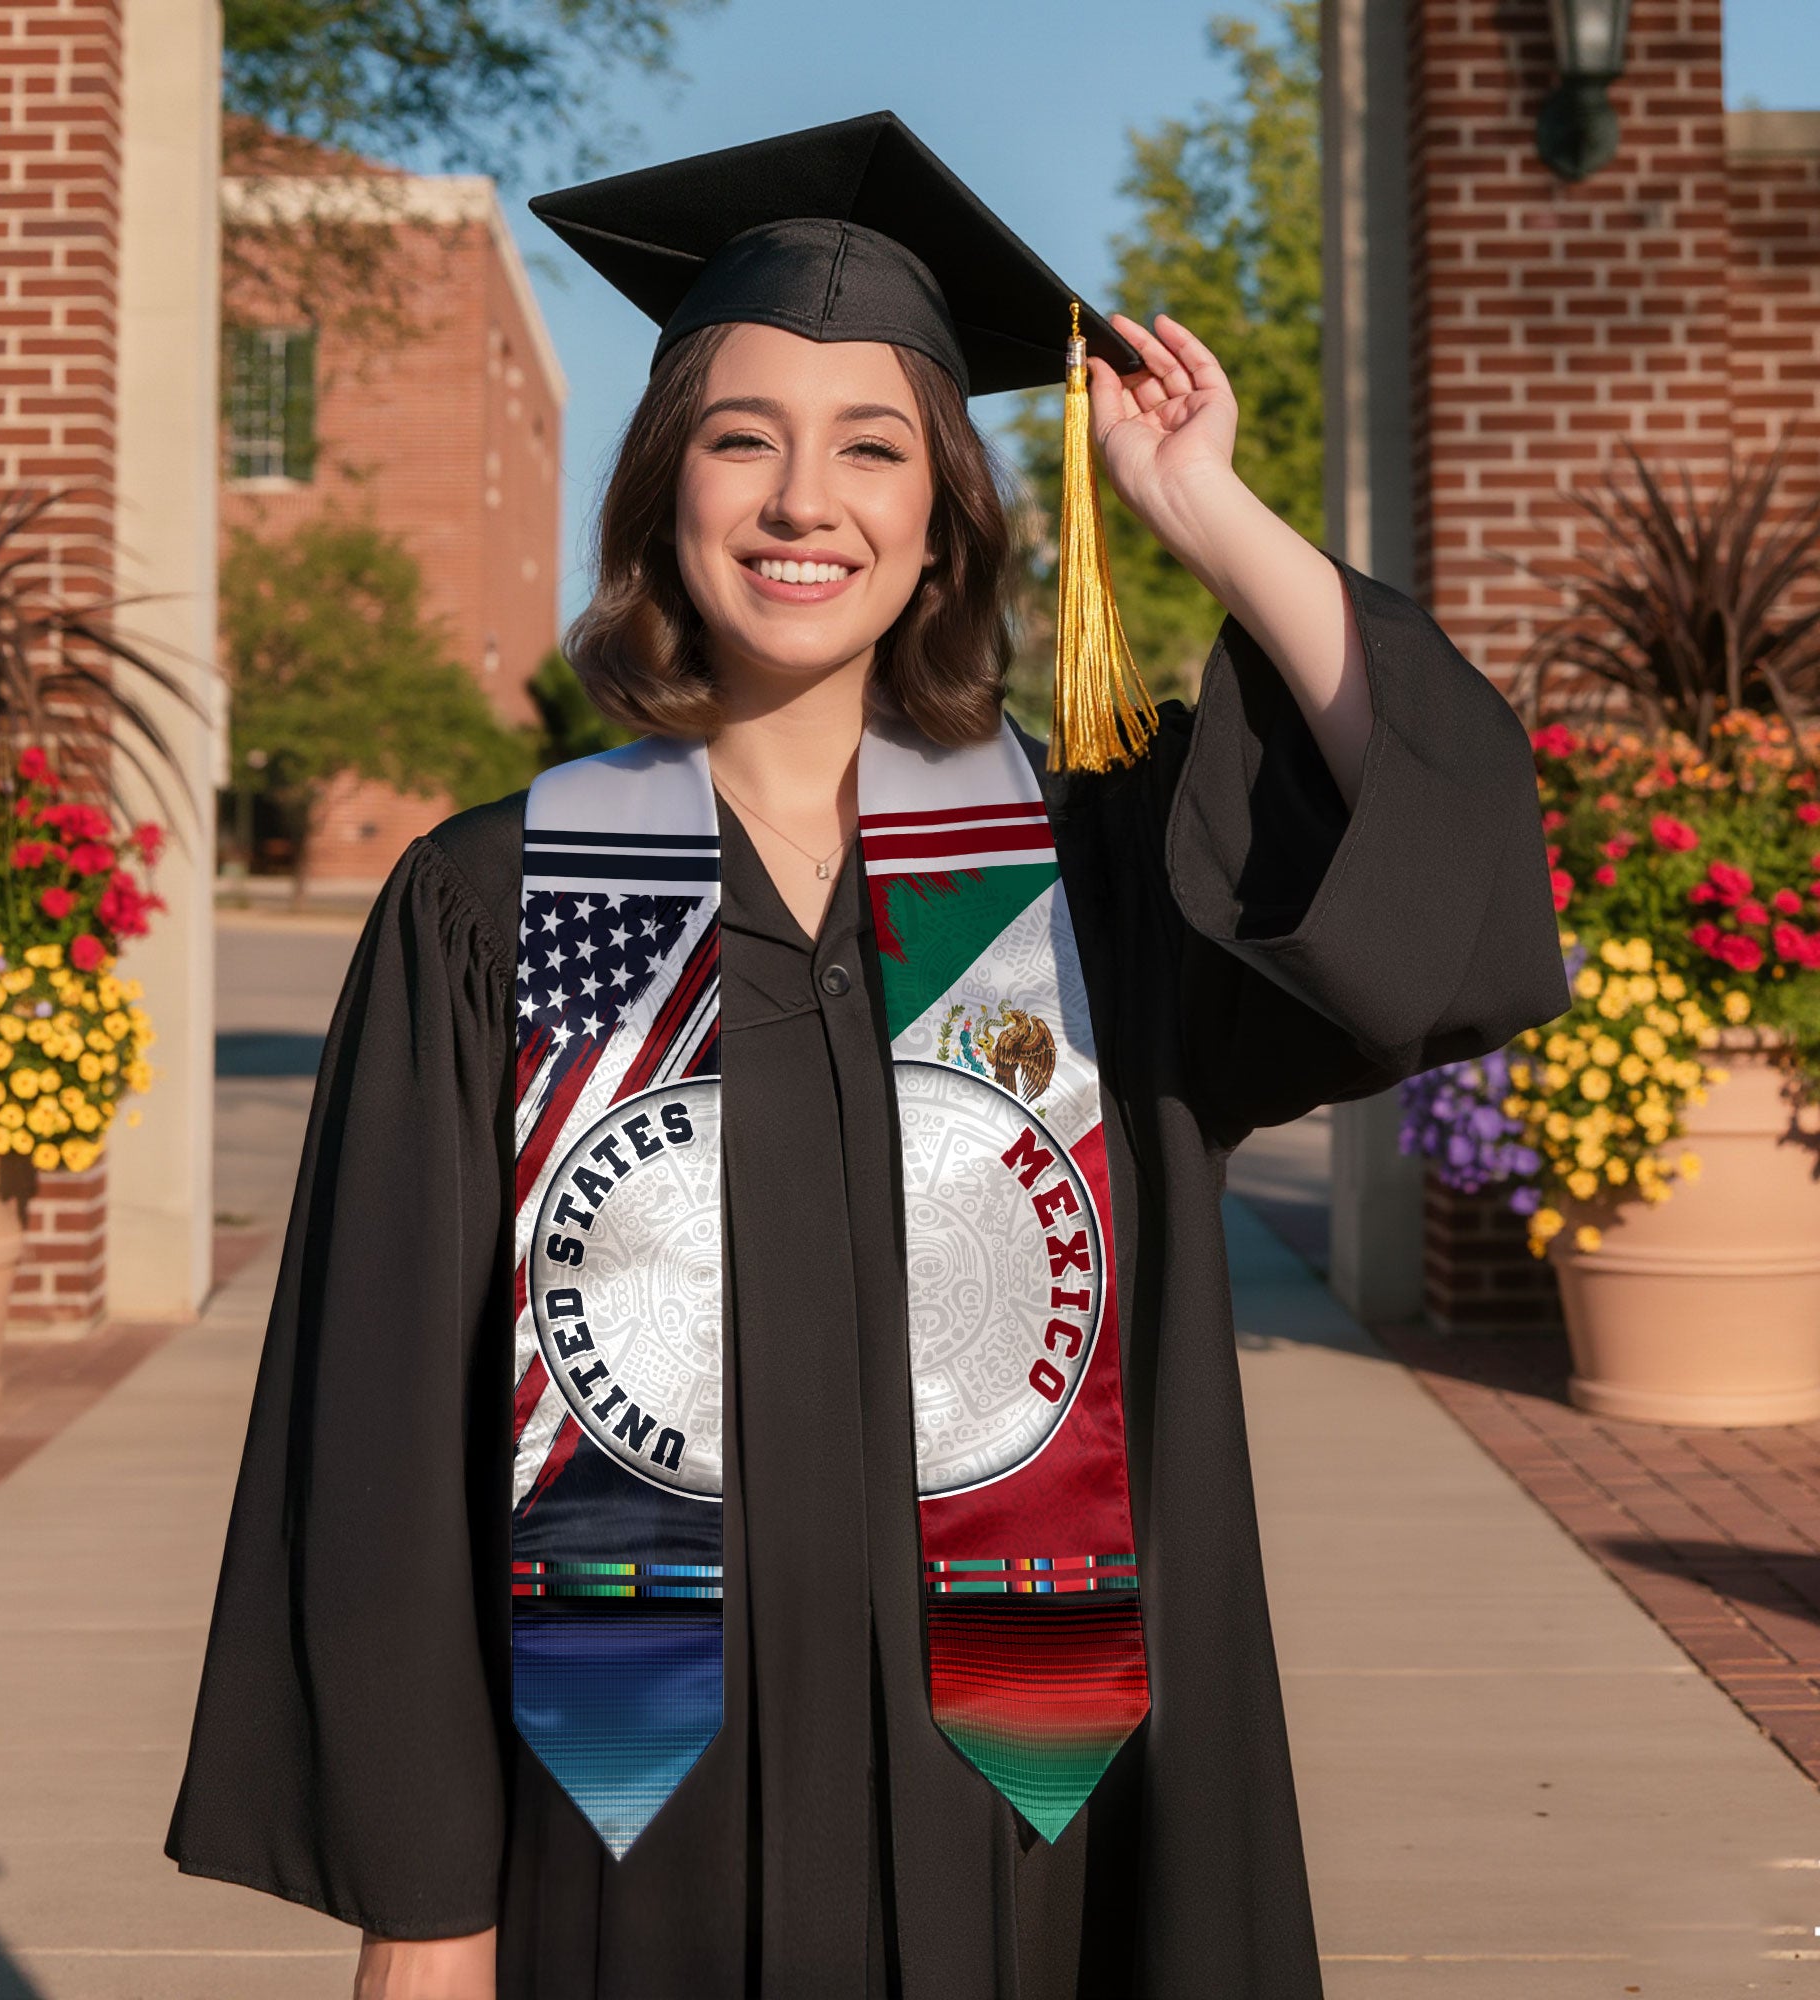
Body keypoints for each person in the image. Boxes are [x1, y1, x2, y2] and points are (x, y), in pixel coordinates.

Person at [165, 113, 1570, 2000]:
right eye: (743, 439)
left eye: (873, 447)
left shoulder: (1092, 886)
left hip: (1041, 1834)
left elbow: (1436, 866)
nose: (802, 502)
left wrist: (1203, 508)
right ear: (665, 488)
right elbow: (381, 1426)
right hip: (627, 1834)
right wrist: (424, 1907)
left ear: (942, 519)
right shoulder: (499, 903)